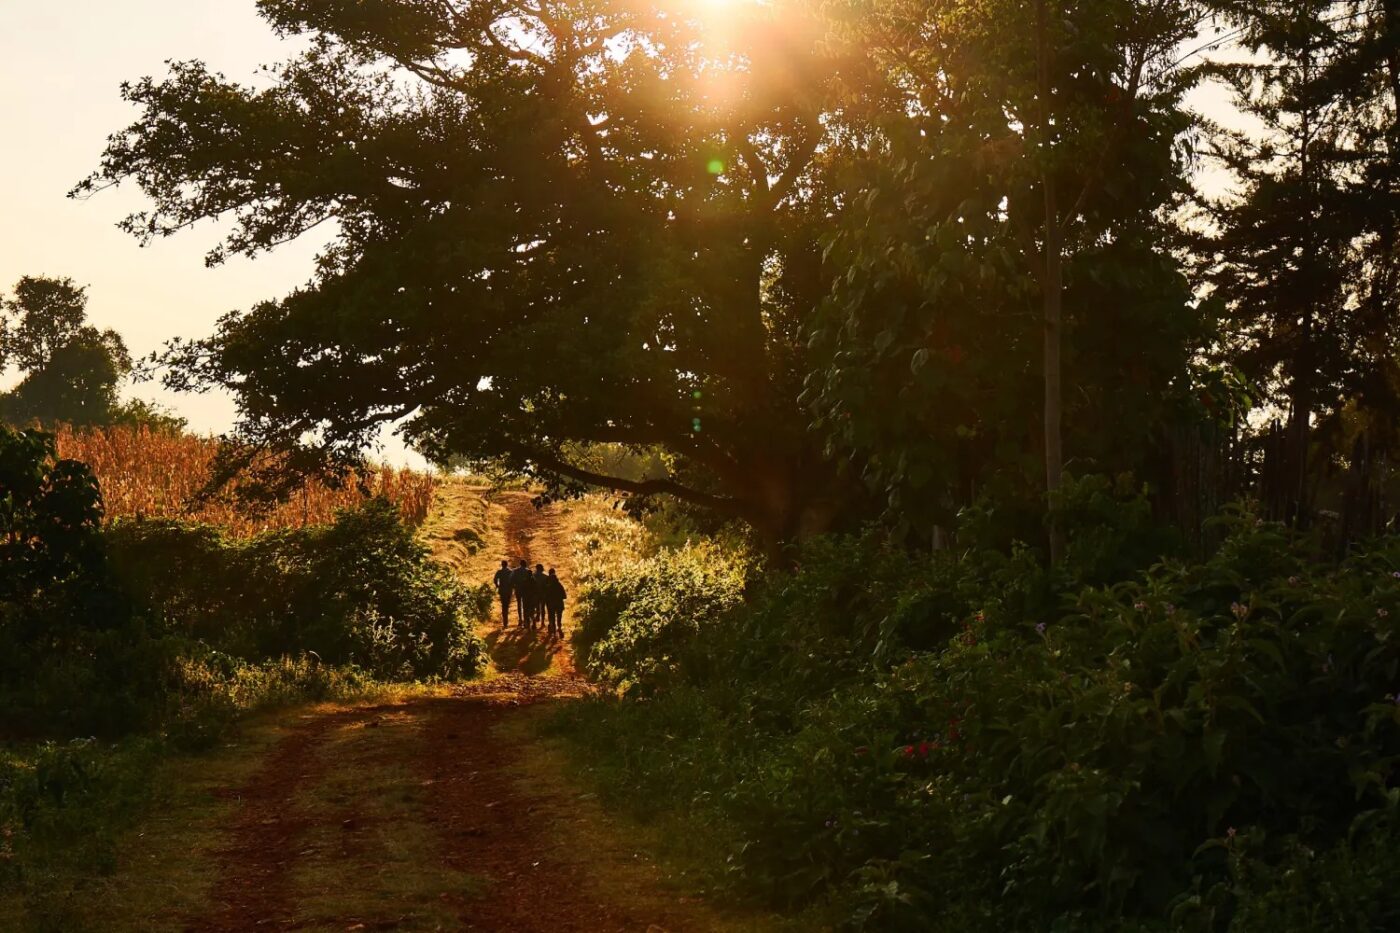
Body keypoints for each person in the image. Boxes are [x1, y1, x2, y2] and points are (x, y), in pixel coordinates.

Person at [544, 568, 567, 637]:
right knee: (559, 617)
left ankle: (554, 632)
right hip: (559, 604)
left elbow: (546, 596)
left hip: (551, 605)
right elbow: (564, 596)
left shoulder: (548, 586)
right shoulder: (559, 585)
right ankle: (559, 628)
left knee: (552, 617)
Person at [509, 559, 533, 625]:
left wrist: (514, 587)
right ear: (525, 564)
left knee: (519, 604)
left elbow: (511, 580)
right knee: (525, 605)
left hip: (518, 589)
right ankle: (526, 619)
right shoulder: (528, 571)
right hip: (526, 591)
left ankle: (520, 619)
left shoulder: (515, 571)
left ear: (520, 564)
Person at [492, 560, 514, 627]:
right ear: (507, 565)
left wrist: (497, 586)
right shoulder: (510, 572)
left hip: (502, 591)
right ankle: (506, 621)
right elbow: (513, 580)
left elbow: (495, 579)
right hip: (508, 591)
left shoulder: (499, 572)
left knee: (503, 606)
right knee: (507, 605)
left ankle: (505, 622)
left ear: (502, 565)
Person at [530, 563, 549, 630]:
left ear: (536, 568)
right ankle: (542, 622)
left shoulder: (533, 576)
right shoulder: (546, 576)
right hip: (543, 594)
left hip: (535, 594)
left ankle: (535, 619)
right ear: (542, 569)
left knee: (535, 608)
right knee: (542, 608)